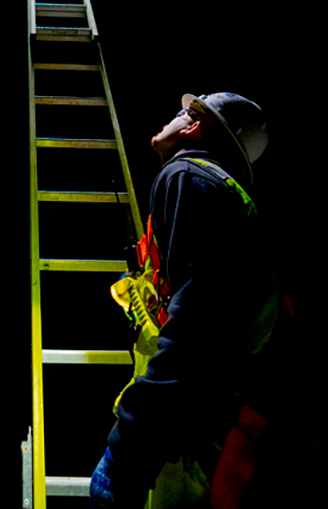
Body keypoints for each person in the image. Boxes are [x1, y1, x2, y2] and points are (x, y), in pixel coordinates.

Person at [89, 92, 288, 508]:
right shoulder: (222, 193)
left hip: (183, 424)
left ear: (196, 127)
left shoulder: (187, 178)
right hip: (203, 414)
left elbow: (195, 326)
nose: (169, 120)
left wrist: (129, 445)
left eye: (182, 114)